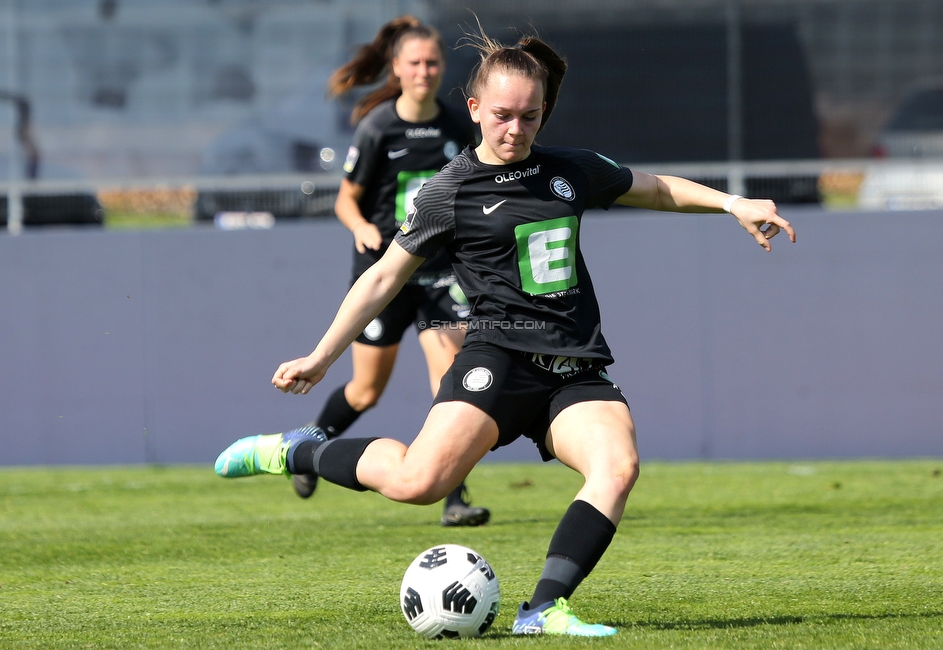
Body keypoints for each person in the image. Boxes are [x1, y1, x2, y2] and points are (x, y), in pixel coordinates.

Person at [215, 29, 795, 636]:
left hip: (572, 366)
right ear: (473, 110)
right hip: (497, 360)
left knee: (617, 465)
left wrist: (733, 204)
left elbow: (653, 188)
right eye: (501, 116)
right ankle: (291, 450)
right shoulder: (449, 192)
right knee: (418, 481)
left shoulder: (569, 169)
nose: (515, 129)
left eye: (529, 116)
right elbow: (384, 274)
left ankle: (543, 609)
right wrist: (321, 355)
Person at [290, 16, 490, 527]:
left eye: (432, 63)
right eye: (415, 63)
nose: (424, 71)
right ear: (397, 69)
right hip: (387, 273)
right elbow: (346, 200)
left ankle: (454, 497)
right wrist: (359, 226)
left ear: (441, 68)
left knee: (451, 380)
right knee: (365, 390)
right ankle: (310, 444)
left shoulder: (453, 125)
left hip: (442, 276)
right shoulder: (378, 127)